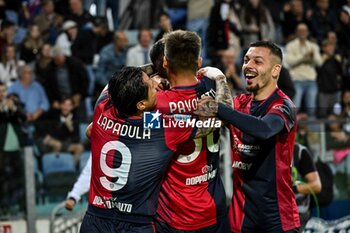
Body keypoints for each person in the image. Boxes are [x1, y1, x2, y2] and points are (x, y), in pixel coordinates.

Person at [79, 66, 226, 233]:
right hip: (136, 225)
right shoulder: (160, 125)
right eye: (151, 86)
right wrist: (220, 80)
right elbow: (218, 121)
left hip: (95, 220)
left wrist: (154, 68)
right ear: (141, 104)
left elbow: (112, 84)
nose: (157, 86)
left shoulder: (103, 109)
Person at [195, 41, 300, 232]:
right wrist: (218, 77)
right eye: (246, 60)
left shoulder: (284, 106)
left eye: (257, 62)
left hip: (277, 219)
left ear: (275, 70)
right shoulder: (239, 104)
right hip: (240, 219)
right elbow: (208, 108)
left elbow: (263, 129)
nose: (248, 66)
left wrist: (218, 108)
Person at [154, 30, 230, 232]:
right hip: (216, 210)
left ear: (165, 62)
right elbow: (228, 112)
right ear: (199, 61)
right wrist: (221, 78)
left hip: (175, 217)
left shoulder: (158, 104)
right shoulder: (213, 89)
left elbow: (144, 125)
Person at [292, 143, 321, 228]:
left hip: (298, 214)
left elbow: (316, 185)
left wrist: (292, 189)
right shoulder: (268, 151)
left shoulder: (299, 152)